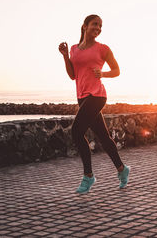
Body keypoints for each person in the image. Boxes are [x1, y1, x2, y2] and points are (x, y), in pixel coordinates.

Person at [58, 14, 130, 194]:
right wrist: (66, 56)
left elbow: (117, 70)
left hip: (97, 96)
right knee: (104, 138)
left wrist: (103, 73)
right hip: (82, 97)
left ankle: (88, 176)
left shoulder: (103, 49)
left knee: (76, 131)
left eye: (100, 26)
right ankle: (122, 169)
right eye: (94, 25)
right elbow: (72, 75)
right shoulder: (74, 49)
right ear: (85, 26)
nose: (98, 28)